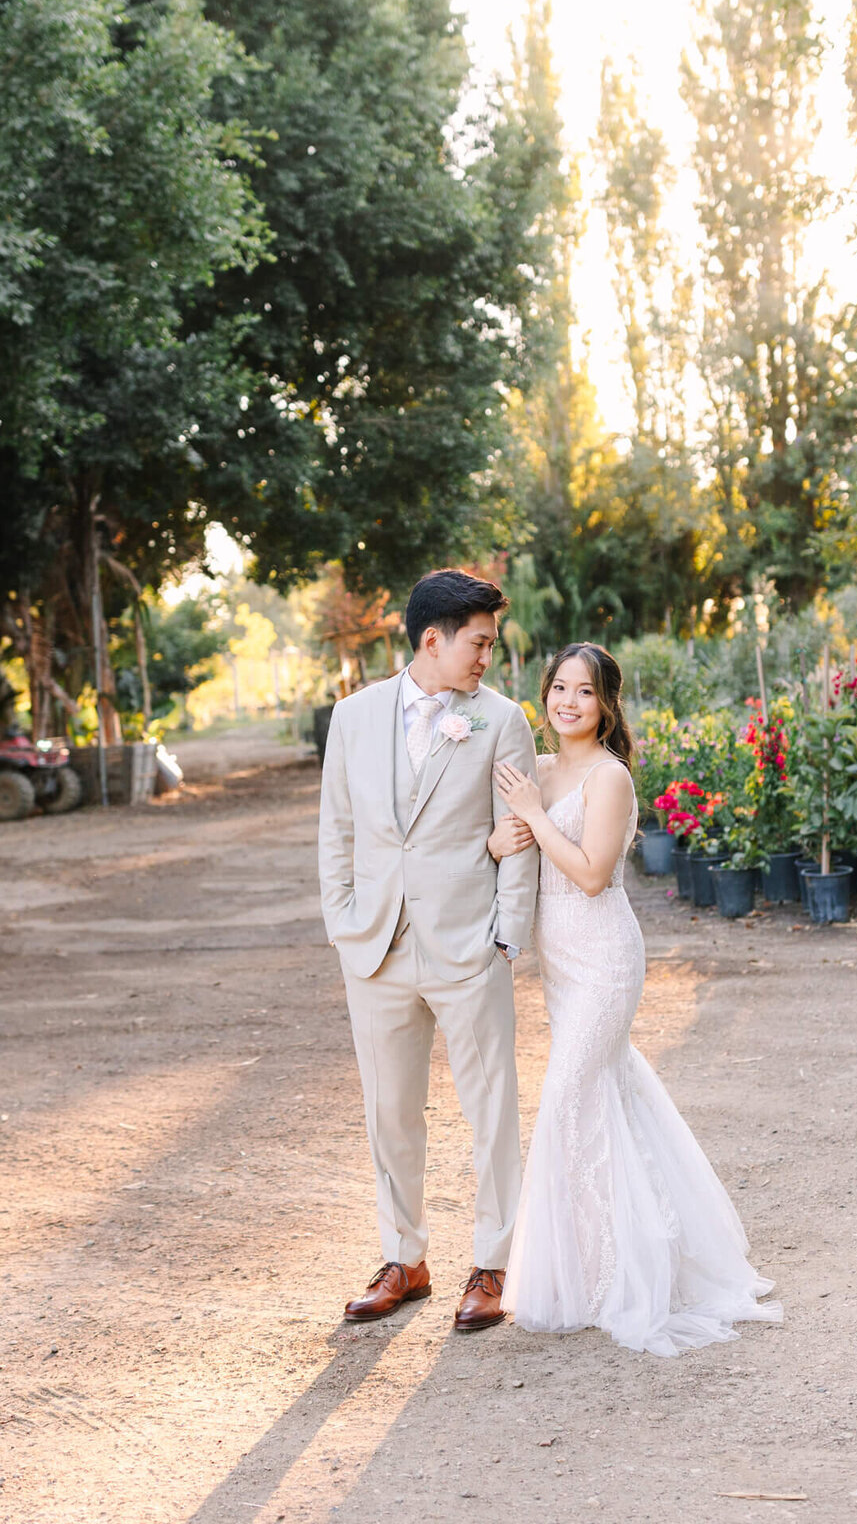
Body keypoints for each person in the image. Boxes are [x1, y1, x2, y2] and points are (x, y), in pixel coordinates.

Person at [489, 642, 782, 1356]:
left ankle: (615, 1275)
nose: (567, 702)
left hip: (604, 956)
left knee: (567, 1099)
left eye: (584, 692)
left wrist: (533, 811)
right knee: (603, 1098)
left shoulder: (608, 777)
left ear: (606, 704)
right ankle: (598, 1263)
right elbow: (512, 849)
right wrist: (504, 837)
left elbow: (590, 874)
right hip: (559, 962)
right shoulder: (544, 767)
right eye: (559, 687)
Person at [318, 569, 538, 1332]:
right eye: (478, 643)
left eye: (491, 644)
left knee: (491, 1108)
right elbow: (337, 833)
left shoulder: (502, 721)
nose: (486, 657)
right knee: (390, 1111)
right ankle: (404, 1258)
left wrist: (506, 933)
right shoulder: (352, 718)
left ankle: (493, 1262)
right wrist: (344, 925)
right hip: (374, 948)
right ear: (432, 640)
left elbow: (521, 836)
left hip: (468, 944)